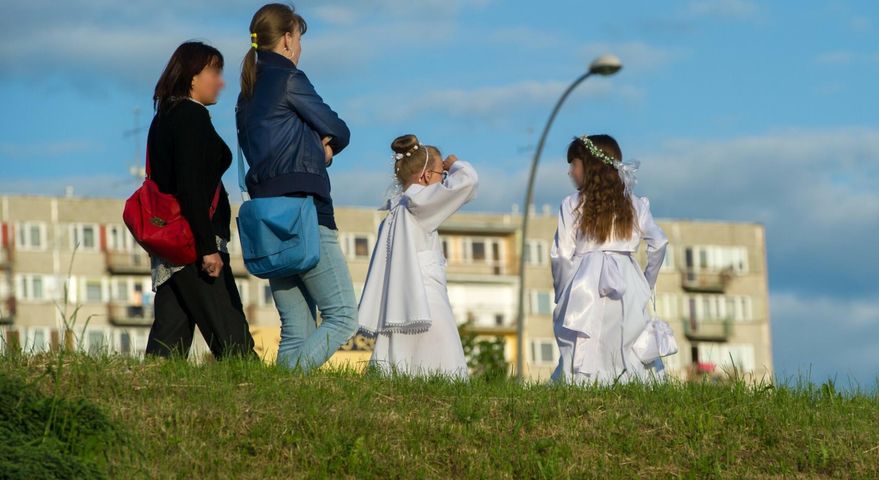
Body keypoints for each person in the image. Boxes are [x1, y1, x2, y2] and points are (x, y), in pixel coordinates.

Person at [236, 3, 357, 371]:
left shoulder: (246, 95)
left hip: (267, 216)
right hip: (305, 212)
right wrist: (325, 150)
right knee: (343, 318)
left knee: (297, 328)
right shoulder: (289, 78)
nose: (300, 48)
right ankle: (287, 383)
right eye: (299, 38)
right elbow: (339, 129)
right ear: (287, 39)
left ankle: (280, 403)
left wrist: (310, 145)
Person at [145, 41, 256, 359]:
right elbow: (191, 188)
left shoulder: (164, 117)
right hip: (194, 245)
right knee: (235, 344)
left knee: (169, 340)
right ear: (194, 76)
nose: (221, 81)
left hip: (171, 247)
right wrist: (208, 248)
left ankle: (149, 399)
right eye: (215, 72)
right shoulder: (191, 117)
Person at [551, 134, 669, 384]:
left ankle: (582, 384)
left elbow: (562, 255)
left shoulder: (572, 205)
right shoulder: (635, 204)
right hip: (627, 280)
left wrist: (563, 292)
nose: (570, 172)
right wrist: (646, 282)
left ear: (589, 166)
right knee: (627, 339)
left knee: (586, 339)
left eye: (574, 164)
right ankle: (631, 384)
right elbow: (659, 242)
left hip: (585, 282)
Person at [358, 134, 478, 379]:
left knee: (399, 370)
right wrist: (454, 164)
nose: (442, 180)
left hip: (397, 304)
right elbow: (469, 181)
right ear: (425, 176)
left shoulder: (394, 210)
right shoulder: (419, 202)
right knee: (445, 369)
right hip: (426, 302)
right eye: (439, 175)